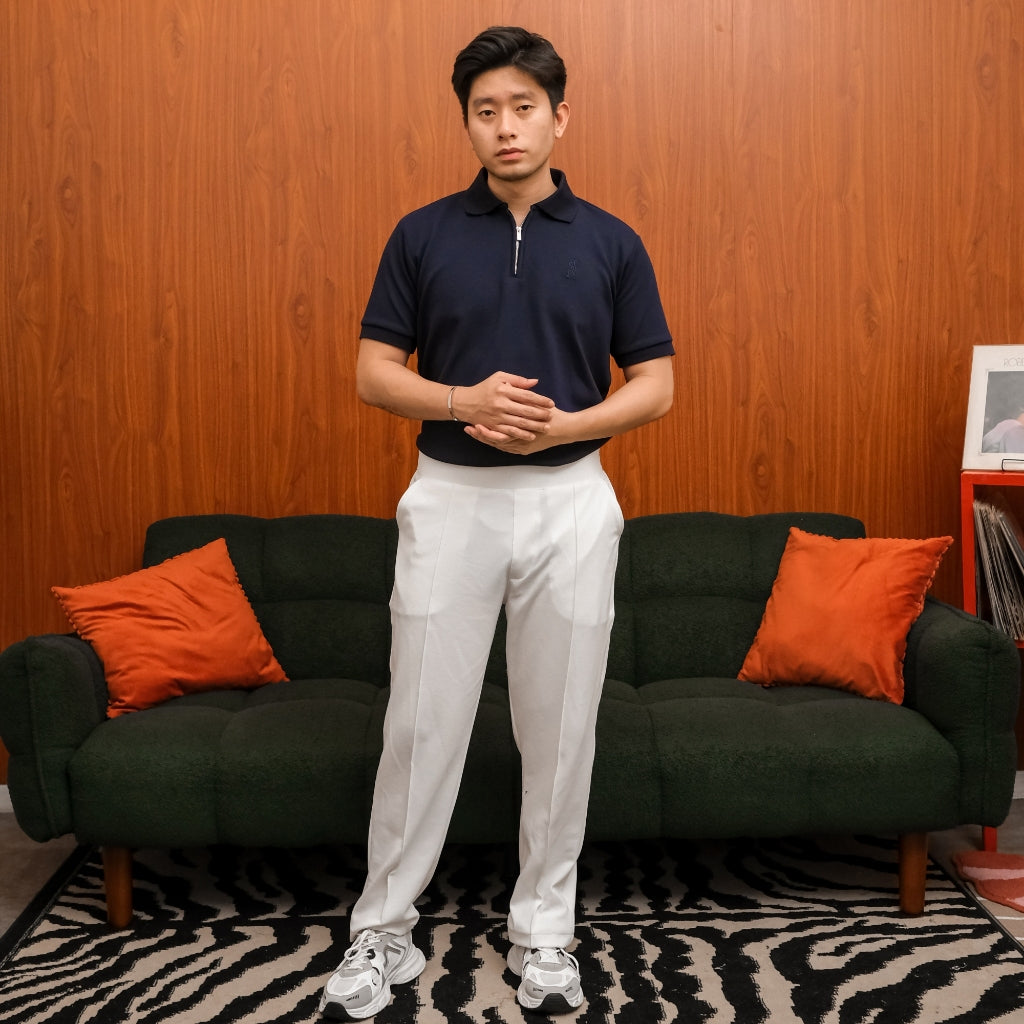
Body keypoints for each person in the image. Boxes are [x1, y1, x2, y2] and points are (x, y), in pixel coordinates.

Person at [319, 25, 674, 1020]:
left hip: (572, 501)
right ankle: (384, 929)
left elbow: (655, 384)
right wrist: (461, 400)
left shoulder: (612, 241)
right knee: (420, 722)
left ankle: (545, 932)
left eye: (523, 107)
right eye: (486, 110)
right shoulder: (422, 234)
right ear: (467, 123)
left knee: (559, 731)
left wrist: (568, 425)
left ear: (560, 117)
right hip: (450, 498)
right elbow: (372, 373)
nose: (505, 126)